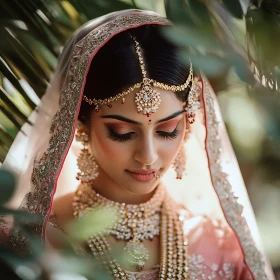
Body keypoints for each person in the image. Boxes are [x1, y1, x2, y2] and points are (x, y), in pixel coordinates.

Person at [3, 9, 275, 280]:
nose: (148, 156)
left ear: (189, 122)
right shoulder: (34, 241)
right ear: (80, 124)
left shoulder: (220, 247)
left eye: (167, 131)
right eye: (122, 132)